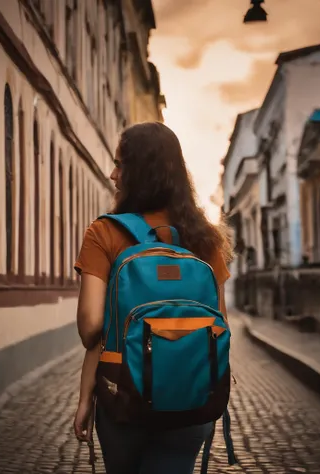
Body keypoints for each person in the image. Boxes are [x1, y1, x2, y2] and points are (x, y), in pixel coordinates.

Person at [73, 122, 234, 474]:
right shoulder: (205, 238)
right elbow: (218, 321)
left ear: (139, 172)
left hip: (124, 397)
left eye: (120, 164)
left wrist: (86, 397)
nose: (113, 174)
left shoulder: (105, 232)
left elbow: (91, 329)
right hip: (193, 396)